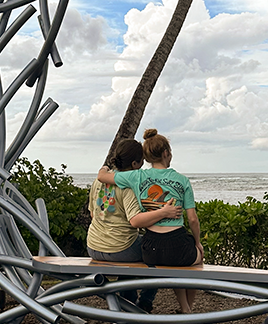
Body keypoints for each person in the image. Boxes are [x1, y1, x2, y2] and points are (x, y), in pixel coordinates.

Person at [97, 128, 203, 314]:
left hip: (150, 248)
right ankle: (187, 307)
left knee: (175, 263)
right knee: (192, 262)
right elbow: (193, 220)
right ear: (166, 154)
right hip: (178, 246)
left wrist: (105, 167)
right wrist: (198, 243)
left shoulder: (136, 176)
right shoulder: (182, 180)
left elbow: (102, 177)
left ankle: (181, 307)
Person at [87, 138, 182, 313]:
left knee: (130, 262)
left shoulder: (98, 181)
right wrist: (164, 212)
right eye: (141, 162)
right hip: (120, 248)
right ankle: (144, 303)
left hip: (93, 246)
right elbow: (135, 220)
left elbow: (94, 214)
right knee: (159, 254)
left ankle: (128, 305)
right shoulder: (128, 187)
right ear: (134, 163)